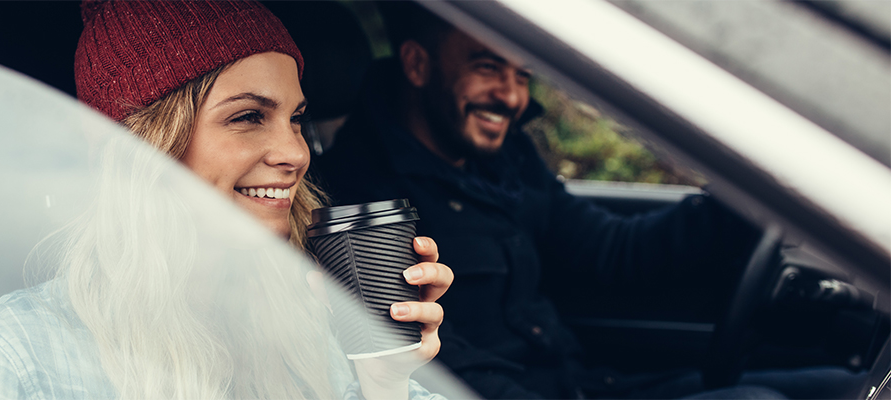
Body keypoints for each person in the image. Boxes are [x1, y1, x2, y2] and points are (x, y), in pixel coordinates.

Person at [313, 3, 861, 400]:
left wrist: (751, 198)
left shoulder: (503, 160)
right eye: (486, 68)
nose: (510, 96)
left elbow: (611, 250)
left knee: (842, 385)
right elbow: (442, 373)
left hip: (586, 382)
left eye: (521, 75)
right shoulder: (363, 209)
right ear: (416, 65)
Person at [0, 1, 453, 399]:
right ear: (141, 146)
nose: (295, 152)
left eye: (296, 118)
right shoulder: (8, 356)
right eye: (248, 116)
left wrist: (384, 381)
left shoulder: (324, 323)